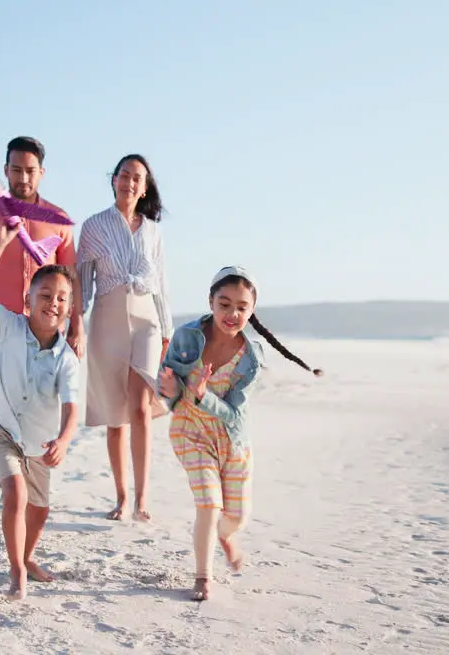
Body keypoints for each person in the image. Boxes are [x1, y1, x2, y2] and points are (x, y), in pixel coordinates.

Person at [159, 265, 323, 602]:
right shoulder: (186, 336)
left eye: (241, 307)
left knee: (236, 518)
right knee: (209, 503)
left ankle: (226, 537)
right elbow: (170, 389)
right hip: (190, 430)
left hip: (231, 439)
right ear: (210, 302)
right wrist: (170, 390)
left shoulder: (252, 355)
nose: (232, 313)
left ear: (251, 311)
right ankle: (203, 576)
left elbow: (233, 414)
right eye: (224, 304)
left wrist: (203, 395)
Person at [0, 219, 82, 601]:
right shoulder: (8, 327)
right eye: (45, 295)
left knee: (39, 510)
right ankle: (16, 570)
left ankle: (28, 556)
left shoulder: (67, 359)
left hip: (38, 444)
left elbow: (71, 406)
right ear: (28, 302)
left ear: (68, 308)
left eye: (61, 298)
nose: (53, 302)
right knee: (14, 494)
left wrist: (64, 440)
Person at [76, 154, 172, 522]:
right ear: (114, 179)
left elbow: (161, 283)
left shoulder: (152, 230)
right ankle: (120, 497)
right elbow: (83, 280)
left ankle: (143, 498)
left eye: (138, 178)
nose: (131, 183)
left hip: (147, 320)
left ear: (144, 187)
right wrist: (75, 327)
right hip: (107, 320)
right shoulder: (94, 226)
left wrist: (166, 330)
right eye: (125, 175)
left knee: (140, 409)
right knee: (116, 417)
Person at [0, 136, 83, 392]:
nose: (23, 178)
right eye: (16, 170)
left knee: (43, 418)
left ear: (42, 172)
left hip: (48, 337)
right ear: (5, 170)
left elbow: (72, 279)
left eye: (30, 171)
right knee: (4, 419)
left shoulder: (58, 219)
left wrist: (77, 328)